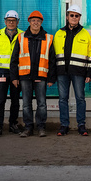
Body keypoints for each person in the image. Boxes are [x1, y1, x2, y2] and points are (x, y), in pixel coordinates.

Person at [10, 10, 56, 138]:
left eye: (38, 21)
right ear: (29, 22)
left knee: (42, 104)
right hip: (25, 76)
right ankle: (28, 127)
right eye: (33, 20)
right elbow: (14, 59)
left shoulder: (48, 38)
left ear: (41, 22)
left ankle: (41, 127)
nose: (36, 23)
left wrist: (51, 78)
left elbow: (52, 60)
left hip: (41, 76)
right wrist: (14, 77)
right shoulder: (21, 37)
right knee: (26, 104)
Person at [54, 4, 91, 137]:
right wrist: (53, 73)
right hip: (62, 72)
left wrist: (89, 73)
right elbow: (53, 55)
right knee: (62, 99)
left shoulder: (85, 34)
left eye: (77, 16)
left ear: (79, 17)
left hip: (79, 72)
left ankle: (81, 125)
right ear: (67, 17)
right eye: (72, 15)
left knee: (80, 98)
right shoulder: (59, 34)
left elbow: (90, 55)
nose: (74, 18)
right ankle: (64, 125)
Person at [0, 10, 23, 138]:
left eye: (13, 21)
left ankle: (13, 124)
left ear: (17, 22)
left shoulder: (22, 35)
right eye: (9, 20)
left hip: (17, 73)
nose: (11, 23)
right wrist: (0, 66)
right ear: (5, 21)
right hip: (2, 72)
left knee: (15, 100)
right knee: (0, 100)